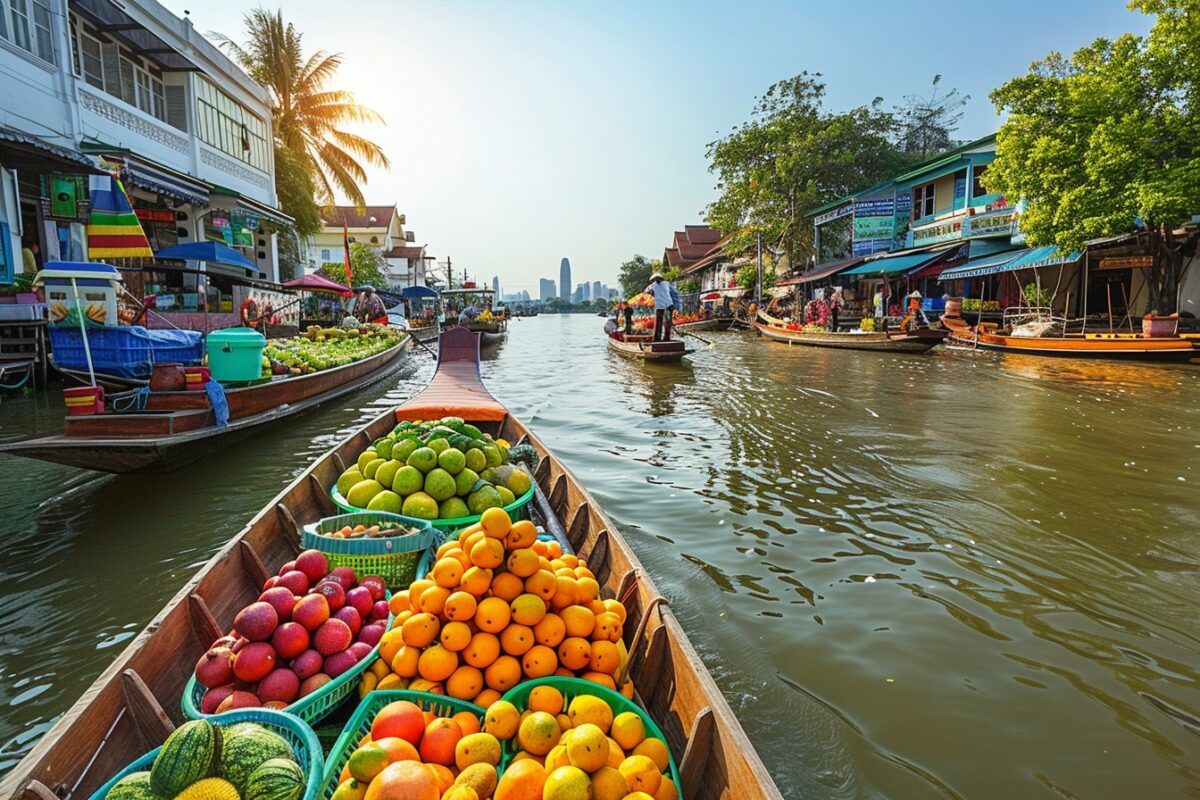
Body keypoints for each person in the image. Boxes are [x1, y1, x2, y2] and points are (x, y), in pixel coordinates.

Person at [645, 273, 674, 341]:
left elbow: (646, 292)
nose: (656, 280)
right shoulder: (665, 284)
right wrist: (651, 293)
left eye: (657, 279)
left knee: (665, 322)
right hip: (664, 306)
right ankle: (660, 338)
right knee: (662, 323)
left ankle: (663, 338)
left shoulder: (656, 285)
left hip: (665, 306)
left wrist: (651, 293)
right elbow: (647, 292)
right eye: (655, 279)